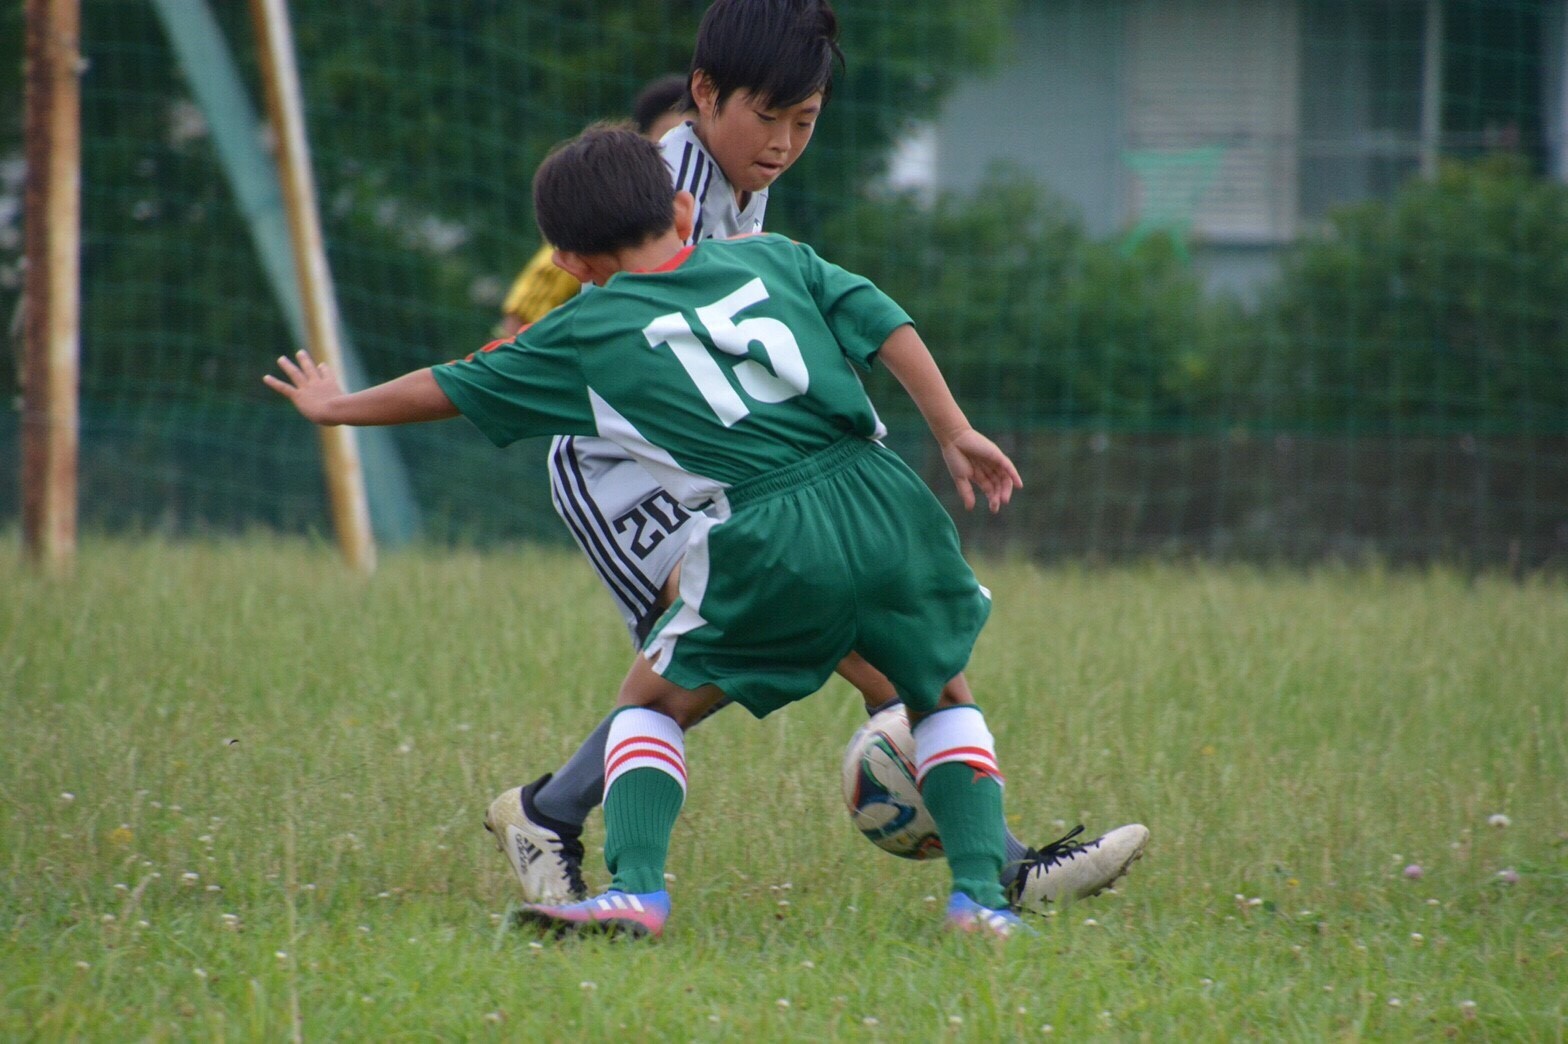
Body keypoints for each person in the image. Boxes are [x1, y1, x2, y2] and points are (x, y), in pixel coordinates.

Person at [266, 125, 1135, 937]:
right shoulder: (776, 258)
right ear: (684, 211)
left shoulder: (584, 328)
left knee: (651, 702)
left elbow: (451, 384)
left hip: (764, 531)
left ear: (570, 261)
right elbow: (882, 319)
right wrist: (952, 429)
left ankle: (636, 888)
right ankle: (982, 901)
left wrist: (336, 406)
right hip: (883, 500)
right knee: (941, 690)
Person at [492, 0, 1149, 915]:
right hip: (620, 466)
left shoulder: (736, 178)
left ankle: (553, 814)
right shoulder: (670, 181)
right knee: (733, 655)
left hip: (720, 461)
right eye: (768, 118)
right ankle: (996, 869)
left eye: (806, 122)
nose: (784, 143)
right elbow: (604, 324)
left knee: (848, 643)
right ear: (705, 96)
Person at [496, 75, 693, 333]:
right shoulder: (595, 230)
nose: (679, 147)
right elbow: (518, 320)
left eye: (688, 135)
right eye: (668, 135)